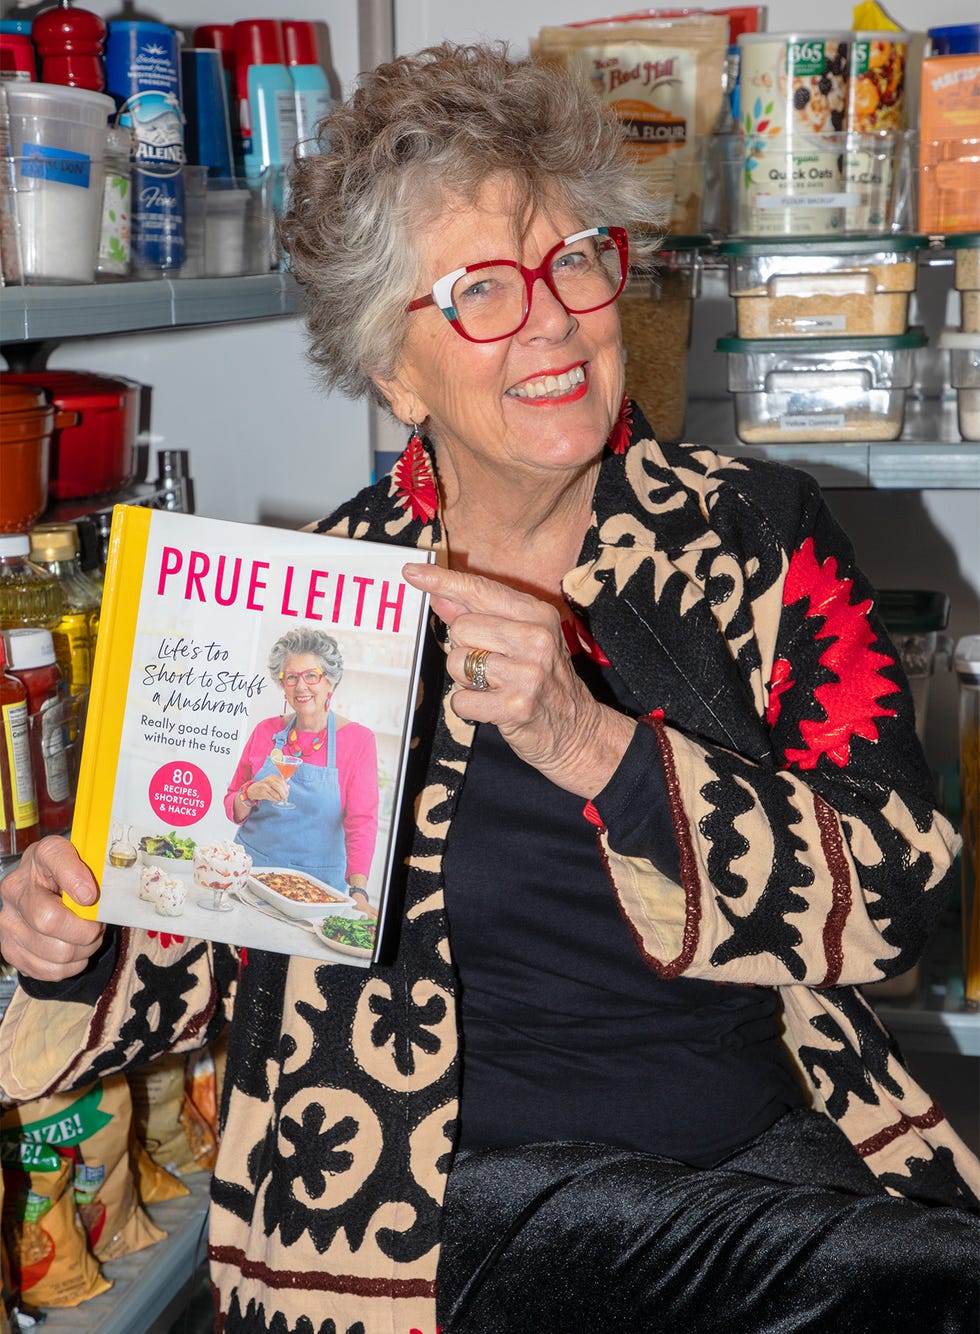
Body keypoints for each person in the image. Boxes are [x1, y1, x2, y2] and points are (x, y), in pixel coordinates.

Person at [0, 42, 977, 1334]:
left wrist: (595, 743)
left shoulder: (755, 540)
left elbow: (905, 901)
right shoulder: (308, 599)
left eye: (574, 257)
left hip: (743, 1176)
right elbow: (202, 952)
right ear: (395, 370)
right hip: (419, 1222)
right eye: (481, 290)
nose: (555, 316)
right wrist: (73, 936)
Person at [223, 626, 379, 908]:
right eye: (291, 677)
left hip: (316, 890)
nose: (301, 686)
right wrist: (251, 792)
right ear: (282, 684)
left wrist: (358, 892)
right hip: (249, 876)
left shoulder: (359, 741)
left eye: (311, 676)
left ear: (330, 681)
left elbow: (362, 822)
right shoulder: (265, 731)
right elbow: (233, 807)